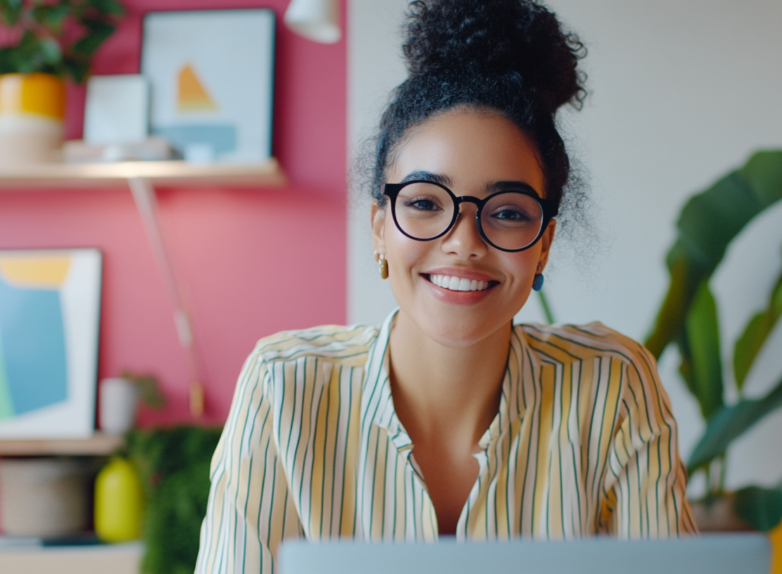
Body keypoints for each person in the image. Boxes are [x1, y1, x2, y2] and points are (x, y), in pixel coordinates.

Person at [196, 1, 695, 572]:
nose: (463, 241)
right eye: (426, 203)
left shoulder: (613, 386)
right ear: (380, 228)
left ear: (544, 245)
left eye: (507, 212)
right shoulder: (284, 388)